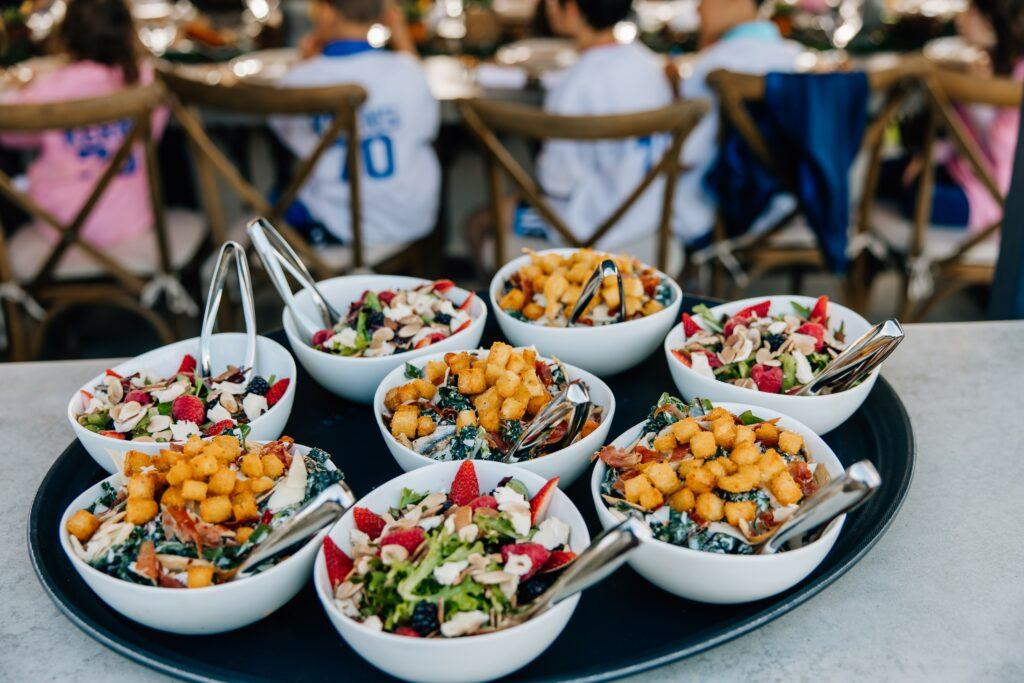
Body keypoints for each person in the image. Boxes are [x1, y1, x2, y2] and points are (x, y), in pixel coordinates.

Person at [465, 0, 675, 268]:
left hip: (586, 227)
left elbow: (556, 183)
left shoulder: (572, 84)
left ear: (573, 8)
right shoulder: (648, 64)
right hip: (648, 218)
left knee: (477, 222)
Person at [269, 0, 439, 249]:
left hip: (336, 222)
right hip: (408, 218)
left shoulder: (299, 79)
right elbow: (427, 127)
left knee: (275, 198)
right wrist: (401, 36)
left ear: (326, 13)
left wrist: (303, 61)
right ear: (384, 14)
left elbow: (293, 137)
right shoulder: (408, 71)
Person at [0, 0, 166, 247]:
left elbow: (10, 133)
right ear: (130, 31)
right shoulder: (148, 80)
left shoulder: (50, 88)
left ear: (65, 35)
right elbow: (153, 133)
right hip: (133, 221)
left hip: (60, 227)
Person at [673, 0, 803, 246]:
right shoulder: (792, 57)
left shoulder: (714, 63)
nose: (697, 9)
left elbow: (685, 156)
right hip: (781, 205)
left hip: (715, 214)